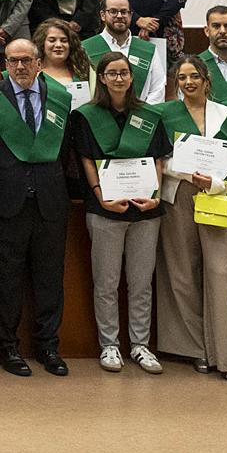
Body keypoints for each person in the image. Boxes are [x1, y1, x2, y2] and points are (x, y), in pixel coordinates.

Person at [0, 38, 73, 377]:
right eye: (13, 61)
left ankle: (47, 346)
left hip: (50, 200)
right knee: (7, 280)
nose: (21, 67)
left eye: (27, 60)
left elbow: (66, 149)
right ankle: (6, 347)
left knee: (49, 279)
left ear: (39, 62)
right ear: (4, 64)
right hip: (5, 202)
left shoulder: (60, 99)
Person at [154, 57, 227, 381]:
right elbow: (159, 161)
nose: (188, 82)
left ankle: (226, 354)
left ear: (206, 79)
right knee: (181, 273)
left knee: (220, 271)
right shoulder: (164, 114)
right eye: (182, 77)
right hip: (178, 196)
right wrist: (184, 172)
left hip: (218, 196)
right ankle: (193, 349)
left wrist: (214, 182)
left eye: (194, 76)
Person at [70, 51, 168, 375]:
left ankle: (140, 345)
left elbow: (158, 159)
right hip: (105, 211)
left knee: (141, 283)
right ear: (102, 78)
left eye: (124, 72)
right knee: (107, 282)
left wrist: (155, 196)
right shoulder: (85, 116)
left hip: (145, 212)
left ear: (131, 76)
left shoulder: (150, 116)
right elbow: (86, 160)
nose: (119, 78)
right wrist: (100, 197)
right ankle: (109, 345)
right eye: (111, 73)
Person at [81, 0, 167, 105]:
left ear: (131, 15)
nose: (119, 16)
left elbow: (158, 89)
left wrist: (145, 115)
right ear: (103, 15)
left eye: (124, 12)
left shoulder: (148, 50)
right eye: (113, 11)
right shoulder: (86, 48)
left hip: (139, 117)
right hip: (99, 118)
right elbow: (82, 90)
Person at [33, 17, 93, 111]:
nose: (58, 45)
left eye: (64, 40)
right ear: (42, 43)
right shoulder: (32, 74)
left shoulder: (84, 72)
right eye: (52, 40)